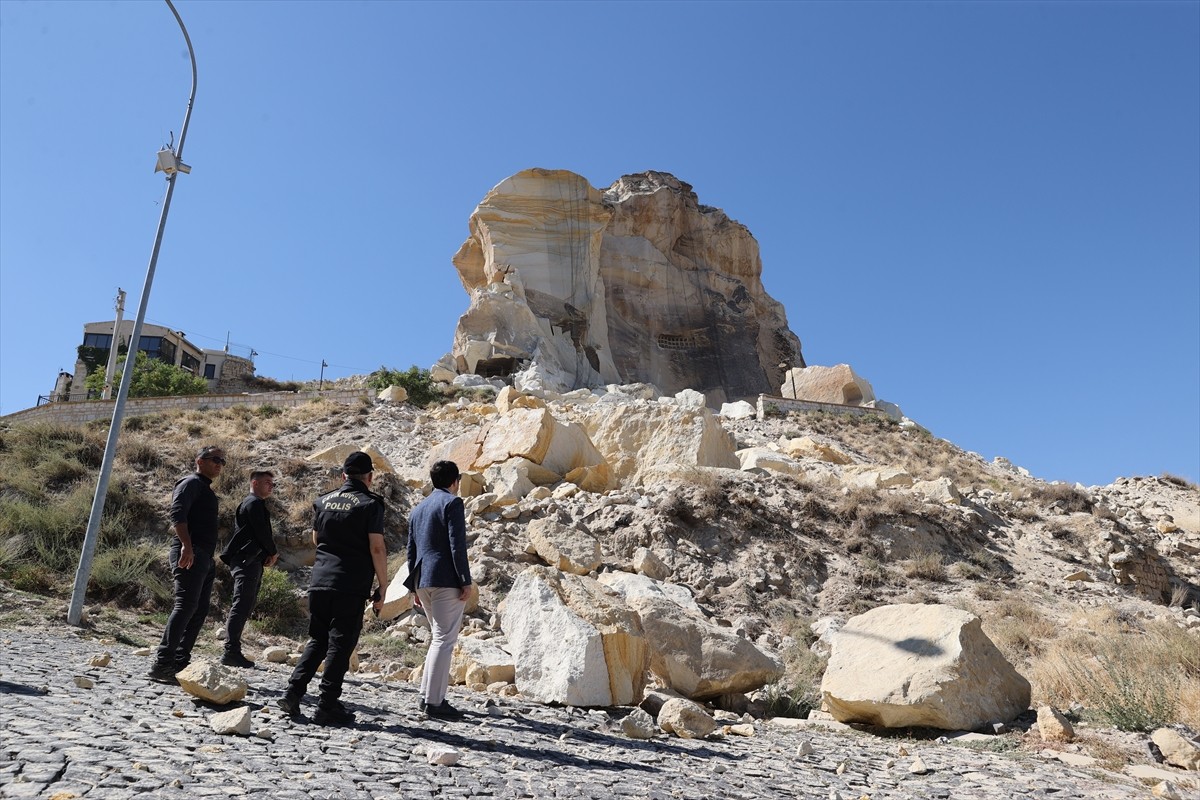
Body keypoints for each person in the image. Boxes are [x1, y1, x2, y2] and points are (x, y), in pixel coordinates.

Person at [277, 451, 388, 726]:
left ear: (343, 476)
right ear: (369, 478)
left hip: (320, 581)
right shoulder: (370, 504)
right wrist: (383, 585)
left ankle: (293, 693)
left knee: (318, 639)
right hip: (349, 584)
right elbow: (376, 546)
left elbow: (317, 538)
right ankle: (327, 705)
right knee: (341, 643)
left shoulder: (323, 501)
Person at [148, 445, 225, 684]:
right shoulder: (190, 483)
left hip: (203, 556)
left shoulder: (205, 488)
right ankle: (163, 663)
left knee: (199, 610)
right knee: (185, 606)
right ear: (199, 461)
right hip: (190, 553)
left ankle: (179, 662)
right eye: (215, 459)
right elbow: (177, 514)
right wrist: (187, 546)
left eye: (222, 461)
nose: (219, 464)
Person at [407, 459, 472, 719]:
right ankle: (434, 702)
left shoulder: (418, 509)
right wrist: (465, 579)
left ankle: (426, 696)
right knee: (445, 639)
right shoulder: (452, 503)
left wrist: (414, 587)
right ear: (455, 481)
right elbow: (457, 545)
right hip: (446, 579)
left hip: (423, 580)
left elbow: (411, 551)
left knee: (437, 638)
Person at [219, 469, 279, 667]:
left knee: (245, 603)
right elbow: (261, 532)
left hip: (250, 560)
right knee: (242, 603)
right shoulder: (253, 503)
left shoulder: (255, 503)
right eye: (266, 482)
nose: (271, 486)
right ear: (254, 483)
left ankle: (233, 650)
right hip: (246, 560)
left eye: (272, 482)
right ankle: (230, 651)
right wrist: (272, 552)